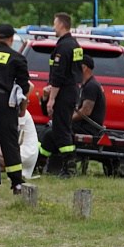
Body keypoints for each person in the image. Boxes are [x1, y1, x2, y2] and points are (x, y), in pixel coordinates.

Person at [0, 23, 30, 193]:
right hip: (5, 101)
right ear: (11, 39)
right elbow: (23, 87)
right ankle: (16, 182)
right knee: (9, 141)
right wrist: (22, 107)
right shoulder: (17, 58)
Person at [36, 12, 83, 178]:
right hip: (71, 91)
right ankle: (40, 162)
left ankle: (69, 169)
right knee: (55, 131)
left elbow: (59, 76)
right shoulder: (74, 44)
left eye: (55, 24)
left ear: (62, 25)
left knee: (62, 131)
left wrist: (52, 99)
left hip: (63, 93)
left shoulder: (63, 47)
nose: (53, 27)